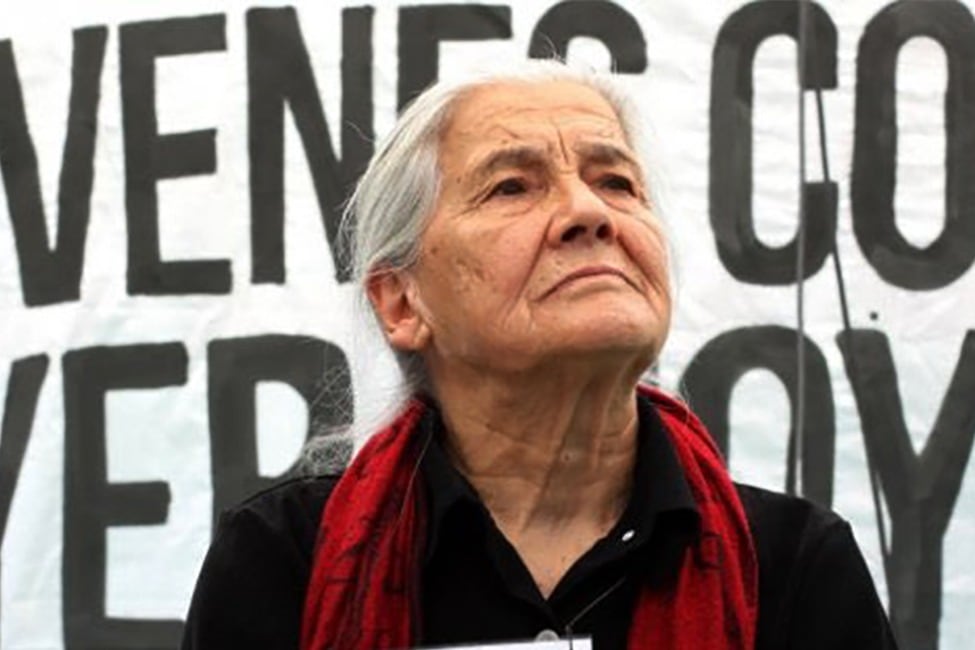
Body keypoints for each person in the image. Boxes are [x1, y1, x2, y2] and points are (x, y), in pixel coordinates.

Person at [181, 61, 898, 649]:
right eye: (512, 187)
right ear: (402, 303)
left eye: (616, 182)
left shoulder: (792, 566)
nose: (589, 212)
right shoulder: (286, 560)